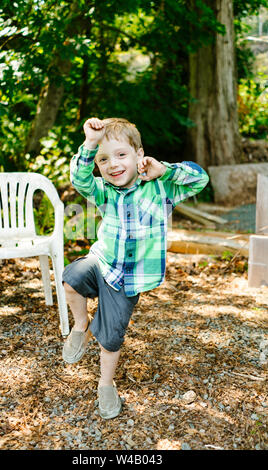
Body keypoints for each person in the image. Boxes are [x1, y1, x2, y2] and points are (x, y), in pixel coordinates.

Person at [62, 117, 209, 419]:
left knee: (112, 338)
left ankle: (105, 384)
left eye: (120, 155)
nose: (112, 164)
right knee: (71, 277)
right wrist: (90, 143)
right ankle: (80, 325)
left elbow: (200, 178)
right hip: (101, 262)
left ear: (140, 155)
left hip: (127, 280)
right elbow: (79, 178)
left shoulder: (161, 188)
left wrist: (165, 170)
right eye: (103, 159)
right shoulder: (103, 191)